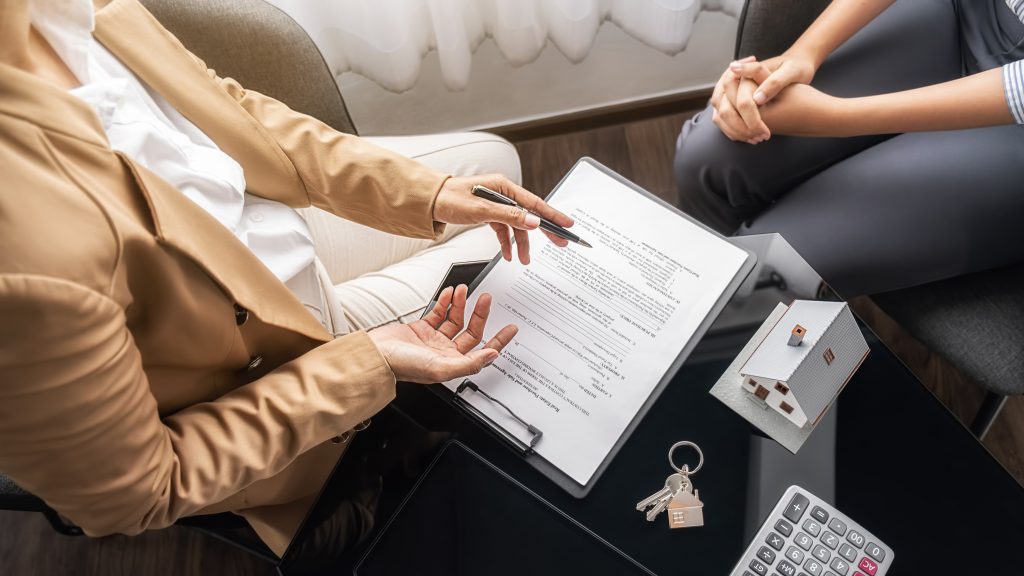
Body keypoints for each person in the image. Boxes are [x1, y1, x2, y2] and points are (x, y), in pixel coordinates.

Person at [0, 0, 574, 556]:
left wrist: (428, 194)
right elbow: (136, 492)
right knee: (501, 261)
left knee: (492, 171)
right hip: (269, 365)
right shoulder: (22, 257)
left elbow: (224, 109)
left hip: (260, 236)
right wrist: (367, 363)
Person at [674, 0, 1024, 296]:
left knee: (777, 266)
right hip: (966, 12)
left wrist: (832, 117)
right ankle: (697, 308)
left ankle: (730, 329)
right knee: (706, 157)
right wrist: (803, 53)